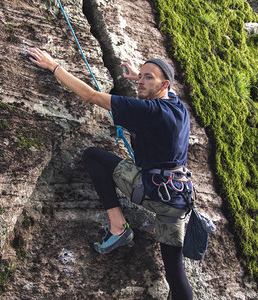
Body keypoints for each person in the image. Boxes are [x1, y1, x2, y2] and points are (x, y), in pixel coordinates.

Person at [27, 47, 193, 299]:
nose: (141, 82)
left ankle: (118, 227)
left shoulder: (150, 111)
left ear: (164, 84)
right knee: (174, 273)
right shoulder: (178, 107)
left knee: (94, 156)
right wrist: (141, 77)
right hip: (179, 200)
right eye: (142, 76)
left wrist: (54, 67)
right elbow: (162, 89)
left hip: (154, 192)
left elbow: (91, 95)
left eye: (149, 78)